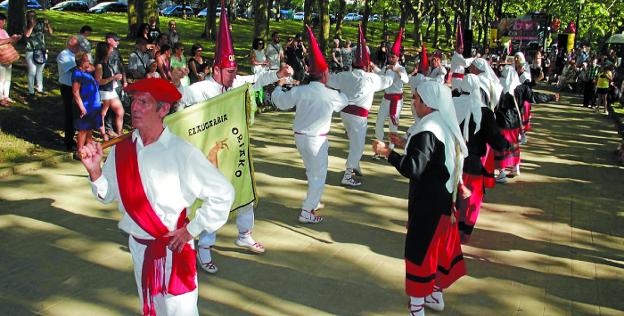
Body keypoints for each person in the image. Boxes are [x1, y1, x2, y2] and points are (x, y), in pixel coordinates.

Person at [79, 78, 235, 316]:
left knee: (179, 311)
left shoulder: (182, 152)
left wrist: (192, 229)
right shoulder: (122, 149)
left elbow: (224, 193)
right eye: (133, 101)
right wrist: (95, 172)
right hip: (139, 247)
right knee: (151, 307)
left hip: (174, 248)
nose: (134, 108)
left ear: (163, 109)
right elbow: (107, 195)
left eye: (144, 102)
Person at [177, 6, 294, 273]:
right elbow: (179, 104)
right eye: (229, 71)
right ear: (216, 69)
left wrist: (278, 74)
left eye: (234, 70)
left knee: (245, 193)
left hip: (237, 147)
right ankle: (204, 247)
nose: (233, 75)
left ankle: (244, 234)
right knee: (212, 201)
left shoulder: (237, 81)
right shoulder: (201, 89)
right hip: (208, 155)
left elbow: (257, 78)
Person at [372, 80, 467, 316]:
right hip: (443, 203)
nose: (413, 101)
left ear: (428, 102)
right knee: (435, 252)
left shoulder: (428, 130)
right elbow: (433, 157)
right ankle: (435, 296)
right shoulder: (440, 124)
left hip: (429, 207)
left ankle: (416, 309)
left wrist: (388, 153)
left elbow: (414, 167)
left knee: (420, 253)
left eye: (416, 98)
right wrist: (406, 143)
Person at [272, 26, 349, 224]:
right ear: (323, 76)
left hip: (299, 136)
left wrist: (279, 86)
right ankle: (307, 210)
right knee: (318, 174)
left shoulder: (302, 90)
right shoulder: (329, 94)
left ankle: (312, 200)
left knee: (311, 171)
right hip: (316, 139)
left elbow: (280, 102)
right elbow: (345, 100)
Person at [326, 24, 393, 186]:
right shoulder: (370, 78)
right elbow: (388, 81)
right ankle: (347, 174)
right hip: (358, 117)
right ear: (366, 64)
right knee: (358, 146)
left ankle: (354, 165)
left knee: (354, 141)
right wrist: (389, 69)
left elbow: (329, 79)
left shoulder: (345, 75)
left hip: (345, 114)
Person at [454, 74, 508, 242]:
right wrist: (506, 145)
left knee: (454, 196)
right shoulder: (483, 111)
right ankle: (464, 232)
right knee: (472, 199)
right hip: (472, 162)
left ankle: (453, 229)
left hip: (452, 159)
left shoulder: (451, 104)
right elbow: (495, 138)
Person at [374, 28, 408, 155]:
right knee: (379, 122)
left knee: (393, 124)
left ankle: (391, 148)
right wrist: (373, 67)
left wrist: (396, 71)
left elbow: (406, 80)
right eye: (390, 56)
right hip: (386, 98)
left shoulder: (401, 69)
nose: (391, 58)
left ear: (397, 57)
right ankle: (379, 145)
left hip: (396, 100)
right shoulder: (387, 67)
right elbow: (379, 74)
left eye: (393, 56)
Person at [492, 66, 523, 184]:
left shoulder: (499, 84)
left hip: (502, 122)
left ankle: (501, 172)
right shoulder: (518, 86)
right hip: (515, 122)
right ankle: (516, 167)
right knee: (514, 145)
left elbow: (495, 103)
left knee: (501, 147)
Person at [72, 51, 102, 156]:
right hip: (85, 105)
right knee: (83, 130)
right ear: (81, 62)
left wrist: (88, 65)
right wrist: (81, 107)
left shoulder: (86, 73)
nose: (89, 62)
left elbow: (93, 68)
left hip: (93, 105)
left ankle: (89, 148)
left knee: (89, 129)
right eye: (87, 60)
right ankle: (79, 151)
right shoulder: (77, 74)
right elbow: (75, 91)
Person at [94, 42, 124, 140]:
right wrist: (113, 78)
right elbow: (98, 81)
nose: (112, 51)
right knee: (102, 114)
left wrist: (115, 78)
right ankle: (103, 134)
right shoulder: (99, 65)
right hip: (104, 92)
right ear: (105, 51)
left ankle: (120, 133)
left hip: (111, 90)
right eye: (110, 49)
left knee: (120, 111)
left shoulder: (107, 62)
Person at [57, 36, 81, 151]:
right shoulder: (64, 55)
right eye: (76, 45)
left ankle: (78, 139)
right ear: (69, 45)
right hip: (68, 88)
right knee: (70, 115)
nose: (78, 47)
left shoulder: (75, 55)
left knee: (78, 114)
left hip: (77, 87)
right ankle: (69, 141)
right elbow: (75, 70)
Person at [24, 9, 53, 96]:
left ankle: (40, 88)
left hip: (41, 50)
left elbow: (50, 33)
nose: (33, 17)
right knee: (32, 71)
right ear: (28, 17)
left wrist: (47, 24)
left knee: (40, 70)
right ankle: (31, 90)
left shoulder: (40, 24)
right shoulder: (25, 25)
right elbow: (27, 35)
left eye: (34, 16)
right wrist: (32, 26)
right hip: (31, 50)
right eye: (31, 16)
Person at [0, 13, 21, 107]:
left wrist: (16, 39)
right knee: (1, 79)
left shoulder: (3, 31)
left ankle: (6, 96)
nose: (4, 23)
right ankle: (1, 98)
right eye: (2, 20)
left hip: (7, 57)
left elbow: (9, 42)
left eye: (4, 21)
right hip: (0, 58)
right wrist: (10, 38)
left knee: (7, 78)